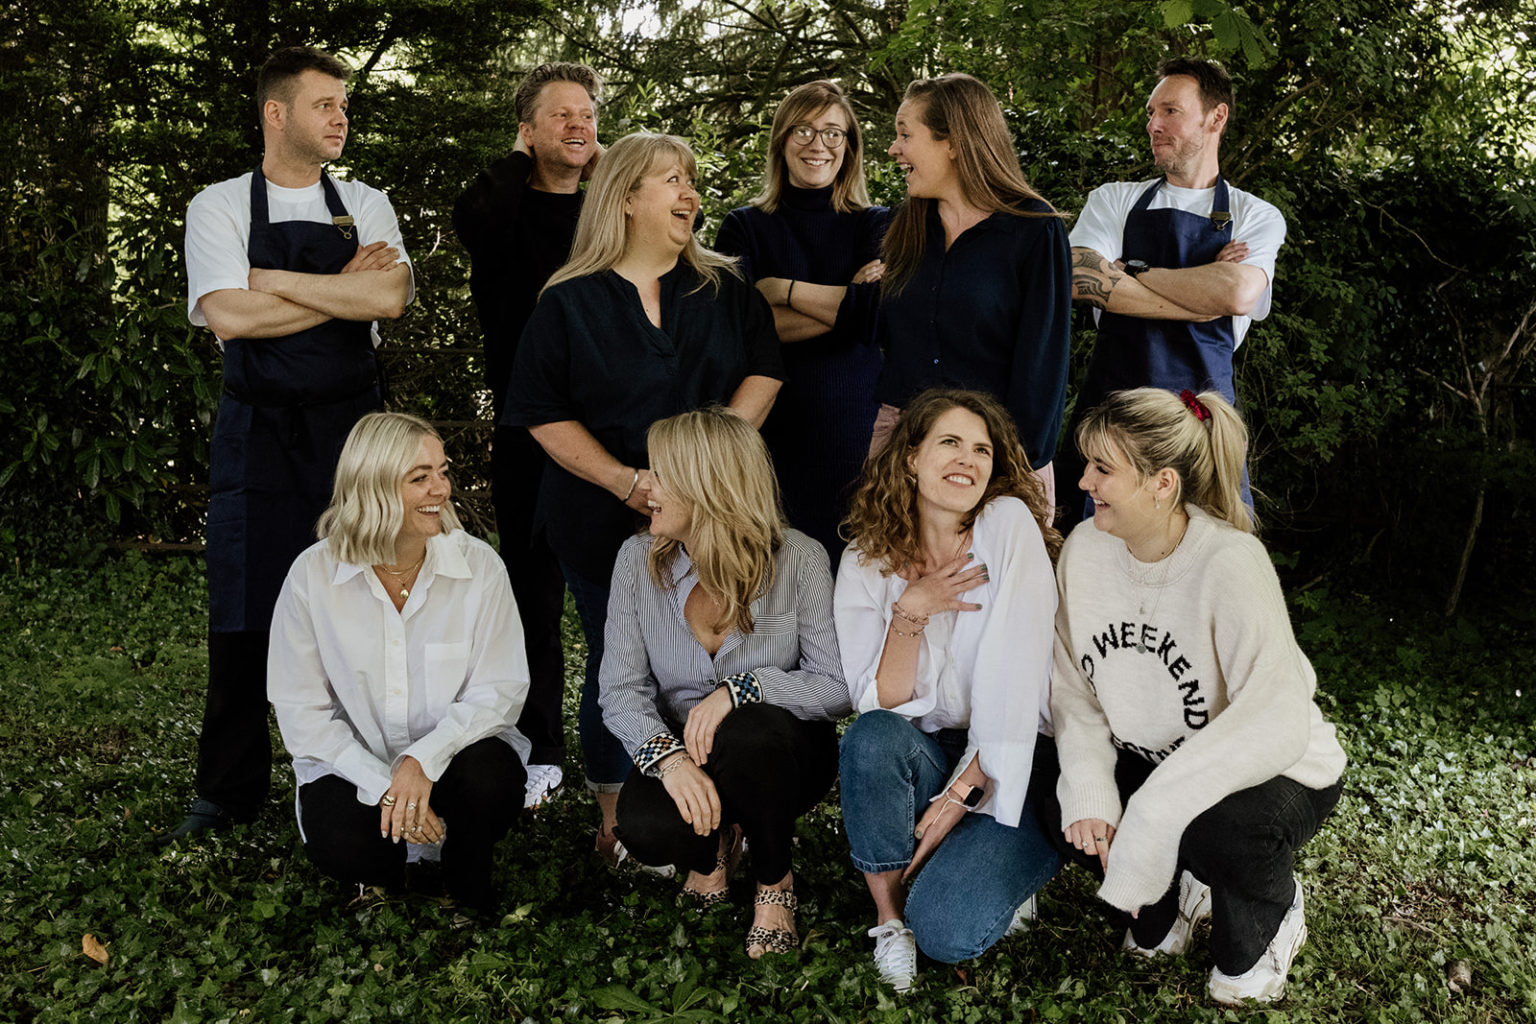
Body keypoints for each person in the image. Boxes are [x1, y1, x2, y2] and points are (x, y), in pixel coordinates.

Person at [503, 132, 784, 865]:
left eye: (693, 180)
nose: (692, 194)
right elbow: (540, 411)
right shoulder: (567, 302)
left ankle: (728, 804)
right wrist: (630, 481)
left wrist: (707, 462)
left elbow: (764, 372)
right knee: (618, 661)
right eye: (672, 181)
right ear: (626, 198)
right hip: (600, 513)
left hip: (717, 514)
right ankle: (616, 815)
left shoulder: (724, 287)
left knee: (721, 655)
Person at [169, 46, 413, 841]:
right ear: (277, 114)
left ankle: (367, 774)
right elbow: (230, 318)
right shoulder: (218, 206)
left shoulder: (366, 202)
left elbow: (392, 295)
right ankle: (228, 789)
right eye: (324, 105)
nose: (340, 117)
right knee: (245, 608)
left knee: (369, 598)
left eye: (344, 105)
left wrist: (269, 281)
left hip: (355, 436)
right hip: (258, 433)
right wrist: (341, 291)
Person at [1051, 388, 1345, 1004]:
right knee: (1050, 792)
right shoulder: (1084, 549)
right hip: (1157, 759)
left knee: (1221, 861)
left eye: (1103, 468)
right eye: (1087, 464)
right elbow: (1072, 688)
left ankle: (1272, 915)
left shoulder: (1230, 563)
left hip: (1278, 769)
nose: (1084, 480)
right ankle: (1174, 901)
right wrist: (1090, 785)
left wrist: (1155, 813)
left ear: (1162, 483)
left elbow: (1276, 719)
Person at [835, 389, 1063, 992]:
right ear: (911, 457)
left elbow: (1022, 676)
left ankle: (990, 869)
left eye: (982, 449)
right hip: (931, 749)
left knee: (946, 931)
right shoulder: (865, 559)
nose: (968, 458)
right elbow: (879, 701)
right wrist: (910, 612)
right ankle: (888, 921)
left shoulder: (1007, 525)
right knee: (873, 736)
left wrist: (964, 790)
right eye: (950, 442)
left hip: (1018, 754)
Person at [599, 408, 849, 957]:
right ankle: (714, 849)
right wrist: (670, 761)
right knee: (644, 827)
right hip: (686, 745)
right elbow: (619, 691)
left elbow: (837, 688)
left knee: (750, 730)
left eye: (660, 474)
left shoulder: (800, 559)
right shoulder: (635, 560)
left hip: (785, 752)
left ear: (708, 486)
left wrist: (744, 689)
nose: (647, 486)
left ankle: (773, 884)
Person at [268, 412, 529, 912]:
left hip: (457, 763)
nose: (442, 488)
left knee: (490, 781)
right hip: (355, 771)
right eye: (420, 477)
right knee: (342, 845)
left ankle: (463, 876)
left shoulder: (479, 567)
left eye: (443, 471)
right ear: (372, 489)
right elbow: (302, 714)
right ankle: (383, 875)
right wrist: (387, 785)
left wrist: (421, 760)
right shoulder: (312, 576)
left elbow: (500, 690)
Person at [453, 61, 604, 810]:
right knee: (531, 595)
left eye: (588, 116)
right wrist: (521, 161)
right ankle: (539, 744)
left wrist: (606, 169)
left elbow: (684, 226)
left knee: (622, 594)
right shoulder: (501, 209)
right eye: (561, 116)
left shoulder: (608, 214)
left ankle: (628, 744)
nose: (579, 126)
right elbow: (476, 218)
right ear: (527, 131)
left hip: (612, 434)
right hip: (526, 430)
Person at [1064, 56, 1287, 513]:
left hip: (1198, 441)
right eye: (1151, 113)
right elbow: (1077, 274)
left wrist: (1135, 271)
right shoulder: (1114, 199)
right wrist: (1197, 299)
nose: (1153, 125)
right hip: (1110, 433)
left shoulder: (1255, 215)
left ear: (1216, 117)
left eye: (1170, 111)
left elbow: (1238, 293)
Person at [872, 73, 1071, 510]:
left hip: (995, 456)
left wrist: (1013, 470)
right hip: (902, 453)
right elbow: (886, 335)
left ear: (954, 142)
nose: (894, 149)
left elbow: (1043, 367)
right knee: (897, 576)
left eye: (906, 134)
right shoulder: (905, 227)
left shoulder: (1035, 230)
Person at [714, 80, 889, 560]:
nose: (819, 145)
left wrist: (780, 291)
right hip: (771, 434)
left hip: (858, 432)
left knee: (853, 584)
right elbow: (741, 332)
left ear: (850, 147)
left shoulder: (877, 223)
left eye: (834, 133)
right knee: (777, 586)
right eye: (804, 131)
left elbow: (878, 317)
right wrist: (847, 301)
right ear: (781, 140)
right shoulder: (743, 226)